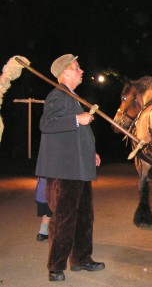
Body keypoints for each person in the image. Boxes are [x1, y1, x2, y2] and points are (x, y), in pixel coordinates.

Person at [35, 54, 103, 282]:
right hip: (64, 170)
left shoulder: (72, 97)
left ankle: (81, 259)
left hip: (79, 167)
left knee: (84, 216)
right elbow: (47, 124)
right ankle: (55, 266)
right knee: (64, 218)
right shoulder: (58, 95)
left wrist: (90, 153)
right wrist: (77, 119)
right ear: (65, 72)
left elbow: (79, 133)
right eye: (77, 68)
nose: (81, 71)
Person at [35, 176, 52, 241]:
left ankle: (42, 233)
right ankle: (42, 233)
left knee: (46, 213)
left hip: (42, 186)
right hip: (50, 186)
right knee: (49, 213)